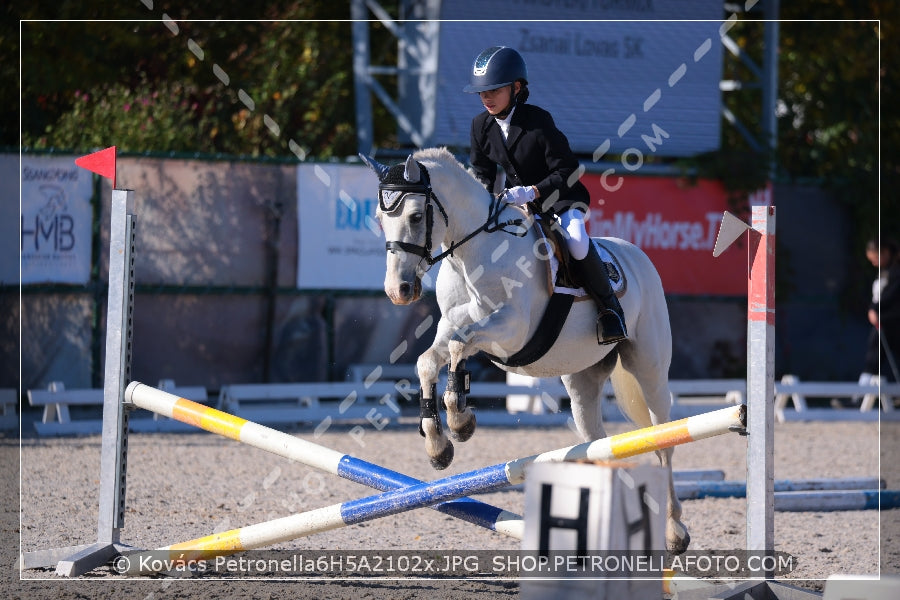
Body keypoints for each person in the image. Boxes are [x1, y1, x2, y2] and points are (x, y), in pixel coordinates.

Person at [463, 46, 626, 345]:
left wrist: (533, 190)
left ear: (516, 88)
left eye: (494, 90)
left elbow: (568, 170)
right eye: (481, 92)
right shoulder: (480, 126)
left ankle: (609, 310)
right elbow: (482, 173)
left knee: (576, 241)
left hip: (561, 198)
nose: (486, 98)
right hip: (519, 204)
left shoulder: (538, 122)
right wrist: (480, 201)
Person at [861, 238, 900, 382]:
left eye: (875, 258)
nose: (873, 263)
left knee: (874, 356)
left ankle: (859, 395)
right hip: (884, 322)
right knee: (873, 358)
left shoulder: (896, 271)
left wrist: (874, 308)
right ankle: (860, 395)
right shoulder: (883, 272)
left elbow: (891, 294)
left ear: (885, 253)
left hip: (893, 321)